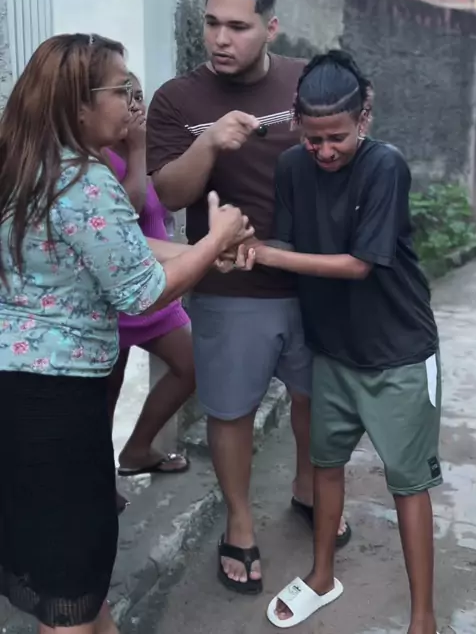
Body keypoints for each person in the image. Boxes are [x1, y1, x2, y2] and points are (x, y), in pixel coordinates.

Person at [0, 33, 252, 634]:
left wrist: (200, 253)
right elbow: (140, 291)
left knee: (64, 569)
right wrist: (216, 240)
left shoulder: (26, 164)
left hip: (17, 388)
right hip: (58, 404)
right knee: (70, 583)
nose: (133, 102)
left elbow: (115, 245)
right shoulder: (86, 180)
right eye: (122, 90)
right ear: (80, 103)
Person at [146, 0, 350, 595]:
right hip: (231, 288)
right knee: (231, 410)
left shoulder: (308, 81)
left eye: (237, 26)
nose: (220, 38)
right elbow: (168, 193)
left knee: (314, 400)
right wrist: (210, 145)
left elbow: (347, 153)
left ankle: (306, 488)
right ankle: (239, 522)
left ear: (271, 27)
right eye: (212, 23)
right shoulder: (178, 100)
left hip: (314, 281)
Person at [250, 50, 441, 633]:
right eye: (313, 139)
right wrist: (240, 248)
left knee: (408, 483)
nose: (325, 151)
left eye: (337, 137)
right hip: (332, 349)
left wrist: (269, 256)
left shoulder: (386, 167)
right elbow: (288, 244)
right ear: (296, 124)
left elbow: (359, 264)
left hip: (398, 353)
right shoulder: (291, 167)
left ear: (365, 118)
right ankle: (321, 577)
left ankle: (423, 617)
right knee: (325, 465)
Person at [105, 74, 194, 512]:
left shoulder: (151, 143)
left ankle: (138, 447)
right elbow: (128, 213)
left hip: (156, 288)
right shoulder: (99, 155)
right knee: (107, 395)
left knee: (192, 367)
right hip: (118, 295)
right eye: (125, 96)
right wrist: (137, 150)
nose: (134, 105)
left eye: (138, 95)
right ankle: (97, 481)